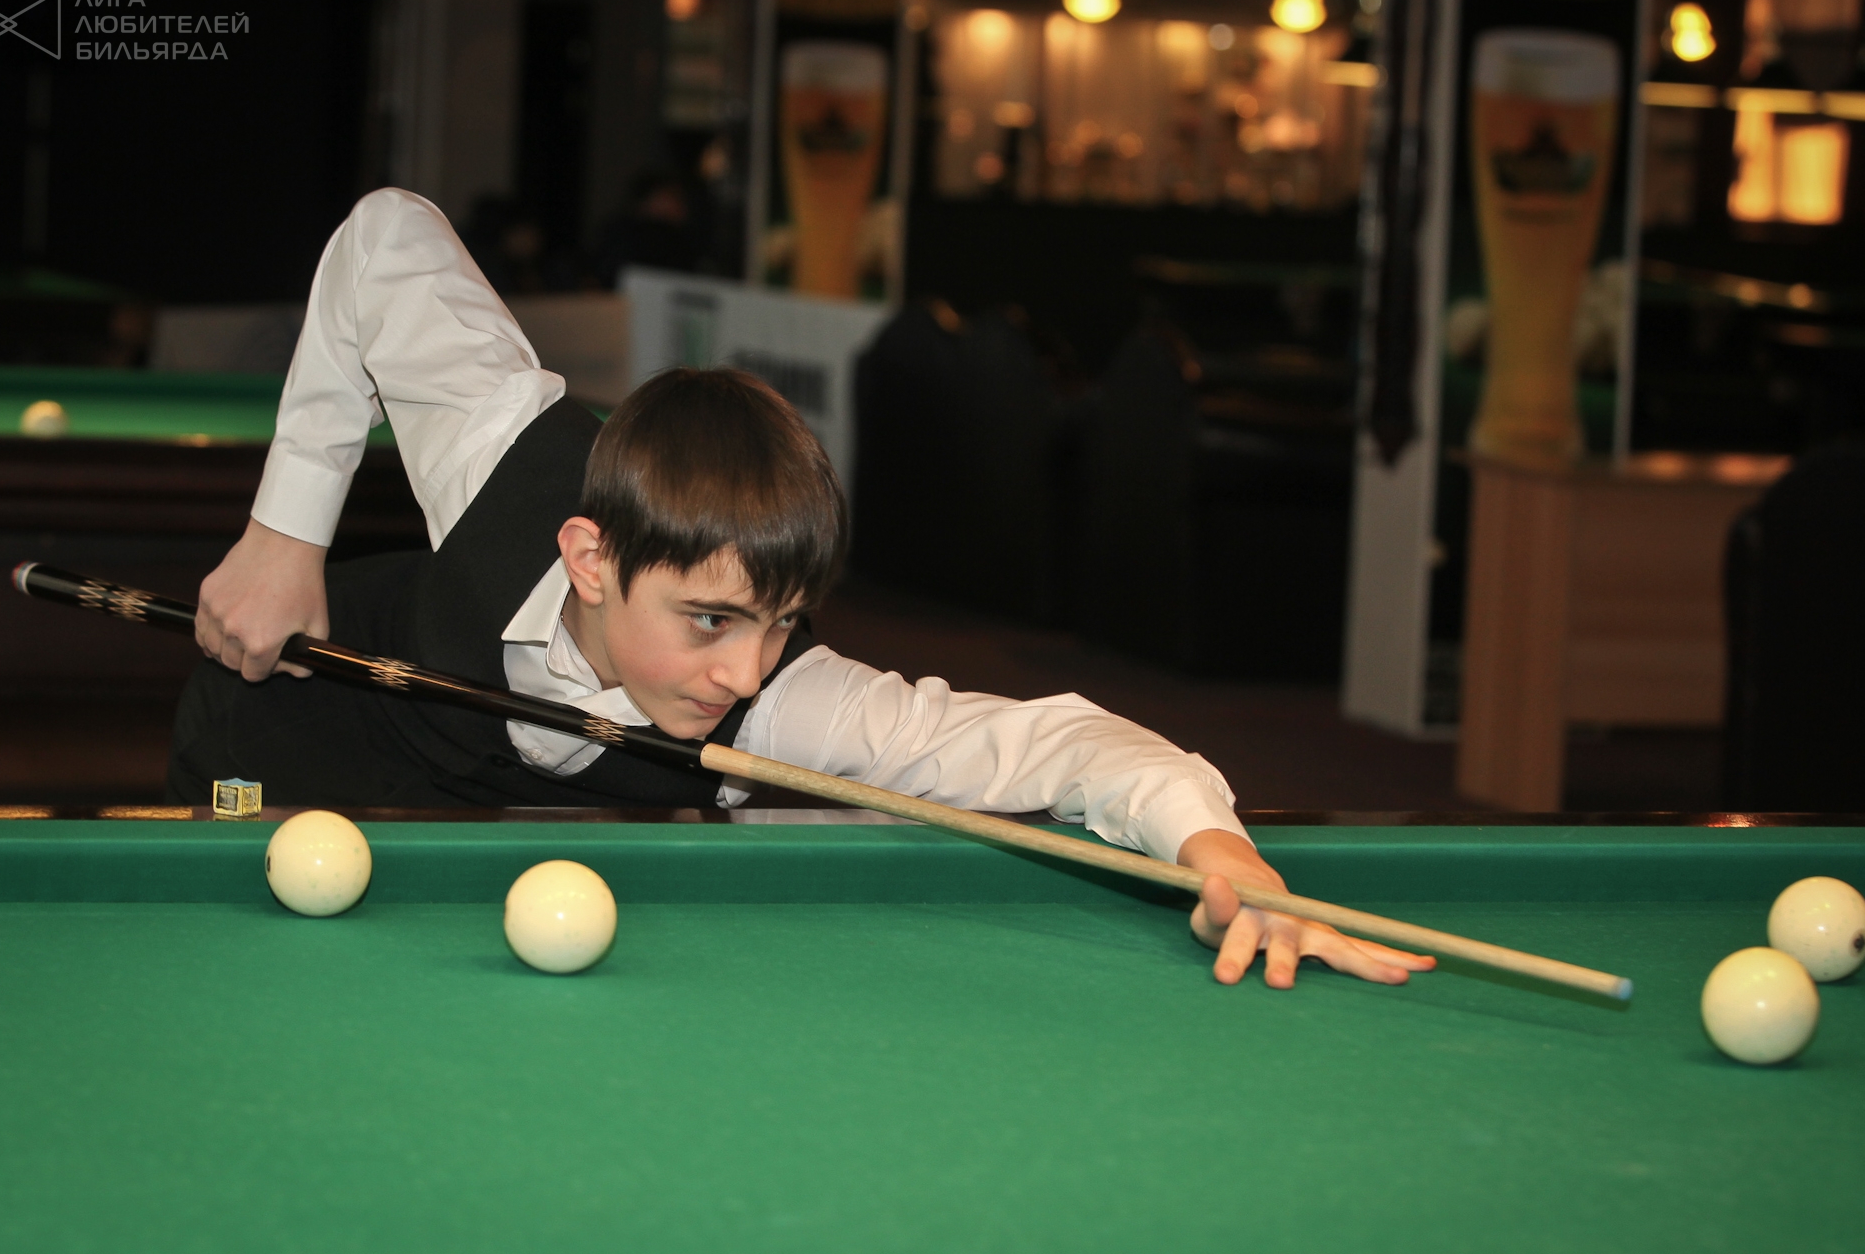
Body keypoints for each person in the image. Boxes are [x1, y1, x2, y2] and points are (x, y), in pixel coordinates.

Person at [183, 187, 1433, 993]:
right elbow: (386, 234)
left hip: (484, 854)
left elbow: (1049, 744)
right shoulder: (501, 447)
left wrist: (1222, 853)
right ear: (592, 558)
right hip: (276, 742)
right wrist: (284, 533)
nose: (743, 669)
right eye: (710, 620)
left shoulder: (774, 699)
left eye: (775, 623)